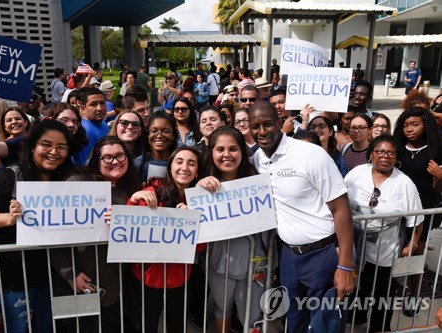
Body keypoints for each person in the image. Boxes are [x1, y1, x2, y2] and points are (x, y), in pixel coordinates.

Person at [248, 101, 355, 333]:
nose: (262, 131)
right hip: (288, 257)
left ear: (280, 123)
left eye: (267, 124)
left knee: (325, 326)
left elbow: (341, 208)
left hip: (323, 255)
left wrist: (345, 265)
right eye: (255, 126)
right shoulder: (258, 160)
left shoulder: (310, 155)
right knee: (294, 322)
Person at [0, 120, 73, 333]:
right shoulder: (11, 175)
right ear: (32, 147)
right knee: (19, 328)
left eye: (61, 147)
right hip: (9, 273)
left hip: (46, 272)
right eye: (46, 145)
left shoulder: (65, 179)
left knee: (46, 326)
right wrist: (9, 219)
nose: (54, 152)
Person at [51, 136, 140, 333]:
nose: (115, 161)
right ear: (96, 161)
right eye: (107, 158)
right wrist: (69, 273)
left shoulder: (132, 189)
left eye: (120, 155)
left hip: (115, 283)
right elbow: (56, 232)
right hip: (80, 280)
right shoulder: (78, 183)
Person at [344, 135, 423, 332]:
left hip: (385, 248)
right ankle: (357, 317)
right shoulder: (356, 174)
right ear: (371, 154)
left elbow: (417, 220)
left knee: (383, 292)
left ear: (396, 157)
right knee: (359, 285)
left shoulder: (404, 184)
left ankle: (379, 328)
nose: (384, 156)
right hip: (354, 243)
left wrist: (411, 244)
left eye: (390, 152)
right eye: (379, 152)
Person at [196, 126, 269, 332]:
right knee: (222, 307)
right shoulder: (202, 183)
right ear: (212, 153)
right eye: (220, 149)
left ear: (242, 153)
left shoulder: (259, 180)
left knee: (254, 312)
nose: (227, 155)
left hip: (256, 262)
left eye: (233, 149)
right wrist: (199, 187)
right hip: (220, 262)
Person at [126, 146, 203, 333]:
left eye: (191, 163)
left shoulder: (198, 200)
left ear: (197, 172)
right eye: (179, 161)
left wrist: (192, 223)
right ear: (170, 167)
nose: (184, 168)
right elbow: (129, 231)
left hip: (179, 279)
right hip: (146, 278)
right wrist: (133, 200)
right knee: (146, 326)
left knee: (176, 326)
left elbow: (200, 247)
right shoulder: (152, 192)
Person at [393, 107, 442, 316]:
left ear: (426, 126)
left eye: (415, 124)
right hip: (396, 211)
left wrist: (440, 176)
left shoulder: (435, 150)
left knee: (414, 254)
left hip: (423, 211)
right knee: (397, 253)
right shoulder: (397, 148)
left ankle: (412, 295)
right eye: (405, 125)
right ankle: (396, 288)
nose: (409, 129)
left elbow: (436, 189)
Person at [135, 111, 177, 182]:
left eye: (166, 131)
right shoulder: (137, 164)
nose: (159, 135)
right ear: (148, 134)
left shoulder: (180, 164)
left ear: (173, 135)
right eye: (154, 131)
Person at [78, 88, 109, 165]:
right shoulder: (85, 131)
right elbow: (85, 165)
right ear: (83, 108)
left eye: (102, 103)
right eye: (93, 104)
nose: (99, 108)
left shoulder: (103, 123)